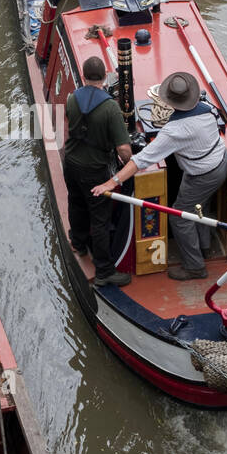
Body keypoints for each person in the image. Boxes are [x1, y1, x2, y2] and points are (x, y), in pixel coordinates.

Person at [93, 71, 227, 280]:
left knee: (180, 217)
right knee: (201, 205)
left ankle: (195, 266)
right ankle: (203, 245)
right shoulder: (208, 108)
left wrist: (112, 182)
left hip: (202, 175)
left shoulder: (174, 131)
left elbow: (141, 160)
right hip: (221, 162)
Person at [63, 56, 132, 287]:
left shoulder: (72, 98)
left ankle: (78, 243)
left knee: (76, 202)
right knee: (100, 219)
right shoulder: (110, 107)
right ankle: (104, 272)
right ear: (104, 77)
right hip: (94, 170)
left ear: (83, 76)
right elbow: (123, 148)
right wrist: (129, 163)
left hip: (71, 163)